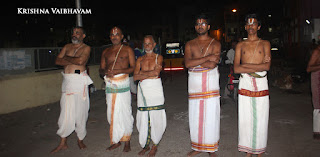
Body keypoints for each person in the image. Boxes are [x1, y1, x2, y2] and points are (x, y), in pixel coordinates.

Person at [234, 14, 271, 157]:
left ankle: (259, 150)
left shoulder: (265, 44)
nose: (251, 26)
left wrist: (246, 66)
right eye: (248, 24)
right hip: (245, 82)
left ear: (259, 26)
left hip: (261, 82)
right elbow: (236, 69)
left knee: (262, 116)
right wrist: (257, 66)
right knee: (245, 117)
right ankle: (249, 150)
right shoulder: (240, 45)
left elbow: (267, 66)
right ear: (245, 27)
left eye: (254, 23)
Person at [184, 14, 221, 157]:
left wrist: (196, 61)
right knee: (195, 115)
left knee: (211, 115)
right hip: (194, 83)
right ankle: (197, 146)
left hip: (210, 82)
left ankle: (211, 148)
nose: (200, 26)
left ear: (208, 26)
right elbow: (187, 64)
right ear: (195, 27)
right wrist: (207, 58)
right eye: (198, 24)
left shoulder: (215, 43)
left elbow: (212, 65)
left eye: (203, 23)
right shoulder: (190, 44)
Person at [51, 26, 93, 153]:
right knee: (65, 112)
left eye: (77, 33)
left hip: (79, 81)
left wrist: (67, 59)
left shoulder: (86, 48)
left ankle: (80, 139)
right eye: (73, 33)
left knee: (81, 112)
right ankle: (63, 142)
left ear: (83, 35)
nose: (74, 35)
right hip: (68, 82)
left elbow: (81, 61)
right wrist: (72, 60)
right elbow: (57, 61)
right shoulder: (67, 47)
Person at [99, 26, 136, 152]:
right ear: (110, 37)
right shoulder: (106, 52)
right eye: (112, 34)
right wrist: (105, 73)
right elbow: (101, 69)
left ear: (121, 36)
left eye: (117, 34)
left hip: (122, 83)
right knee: (112, 113)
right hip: (110, 84)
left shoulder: (127, 50)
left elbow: (133, 68)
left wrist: (119, 71)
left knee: (125, 112)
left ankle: (127, 141)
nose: (114, 36)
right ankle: (116, 140)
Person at [134, 35, 166, 157]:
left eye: (149, 44)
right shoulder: (140, 60)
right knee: (143, 117)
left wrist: (142, 73)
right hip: (143, 89)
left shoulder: (159, 57)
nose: (147, 46)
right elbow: (135, 77)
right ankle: (145, 145)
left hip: (155, 89)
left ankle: (155, 145)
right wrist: (150, 73)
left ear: (154, 45)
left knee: (156, 116)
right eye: (145, 44)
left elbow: (156, 73)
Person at [306, 42, 320, 140]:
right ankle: (317, 131)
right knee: (318, 104)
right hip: (317, 79)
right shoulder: (317, 52)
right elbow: (309, 69)